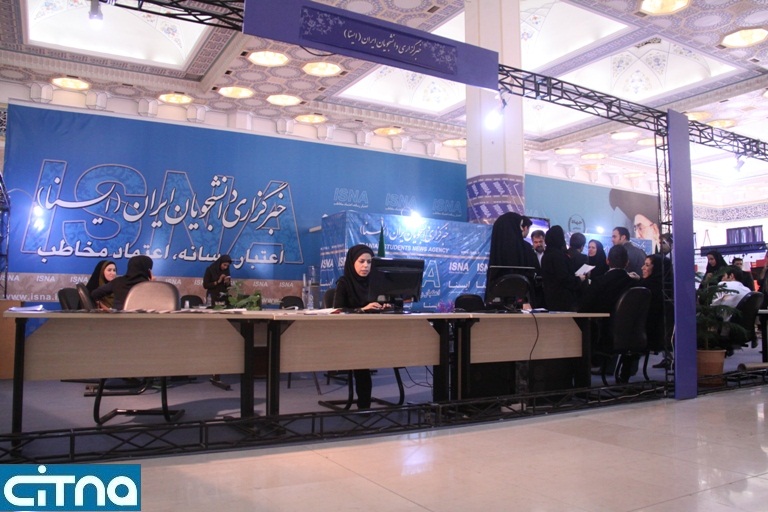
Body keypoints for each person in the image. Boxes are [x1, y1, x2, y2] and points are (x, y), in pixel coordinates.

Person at [332, 244, 388, 409]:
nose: (366, 266)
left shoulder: (376, 282)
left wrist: (386, 306)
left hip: (375, 332)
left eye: (369, 262)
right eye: (361, 261)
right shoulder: (344, 283)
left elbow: (386, 301)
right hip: (352, 334)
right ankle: (364, 405)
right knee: (362, 358)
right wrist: (362, 309)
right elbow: (338, 310)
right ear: (352, 262)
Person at [579, 244, 638, 382]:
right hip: (632, 333)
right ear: (627, 263)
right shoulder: (634, 283)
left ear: (607, 261)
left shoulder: (599, 282)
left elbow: (584, 308)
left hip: (604, 334)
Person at [485, 212, 537, 300]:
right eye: (519, 226)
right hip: (519, 299)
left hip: (496, 297)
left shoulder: (497, 251)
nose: (521, 229)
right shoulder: (523, 249)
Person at [639, 254, 674, 369]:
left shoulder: (647, 287)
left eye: (647, 265)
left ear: (657, 268)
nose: (642, 268)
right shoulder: (670, 287)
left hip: (648, 333)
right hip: (661, 335)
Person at [541, 225, 585, 312]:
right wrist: (579, 279)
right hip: (563, 300)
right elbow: (564, 278)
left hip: (549, 298)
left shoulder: (545, 255)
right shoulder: (559, 256)